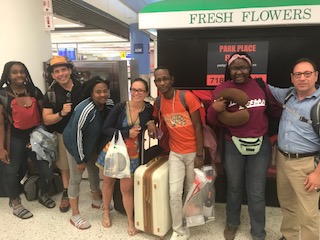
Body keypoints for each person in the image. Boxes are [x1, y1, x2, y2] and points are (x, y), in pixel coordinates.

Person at [206, 52, 279, 240]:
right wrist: (214, 110)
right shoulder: (222, 89)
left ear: (250, 68)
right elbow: (212, 120)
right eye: (235, 68)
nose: (239, 72)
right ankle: (232, 223)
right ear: (229, 70)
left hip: (260, 145)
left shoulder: (261, 87)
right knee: (235, 187)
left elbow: (274, 110)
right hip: (233, 145)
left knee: (256, 191)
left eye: (244, 67)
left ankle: (258, 232)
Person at [147, 66, 204, 240]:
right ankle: (179, 230)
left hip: (193, 152)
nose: (162, 83)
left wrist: (200, 155)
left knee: (190, 190)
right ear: (155, 82)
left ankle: (189, 221)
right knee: (174, 193)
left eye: (165, 79)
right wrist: (150, 122)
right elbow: (155, 118)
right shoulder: (158, 102)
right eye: (158, 80)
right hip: (175, 153)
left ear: (172, 79)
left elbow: (198, 127)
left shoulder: (186, 97)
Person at [269, 58, 320, 240]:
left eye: (307, 74)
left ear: (316, 76)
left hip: (306, 165)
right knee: (288, 204)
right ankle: (289, 236)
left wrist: (318, 173)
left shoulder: (318, 104)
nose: (302, 78)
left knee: (308, 213)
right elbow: (267, 89)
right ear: (292, 78)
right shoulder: (288, 95)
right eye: (298, 74)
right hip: (282, 160)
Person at [96, 78, 153, 236]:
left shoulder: (148, 109)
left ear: (146, 93)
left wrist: (151, 123)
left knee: (126, 189)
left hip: (132, 154)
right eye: (133, 89)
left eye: (140, 90)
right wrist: (127, 133)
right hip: (114, 151)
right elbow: (105, 129)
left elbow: (151, 119)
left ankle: (130, 219)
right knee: (108, 183)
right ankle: (106, 211)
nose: (136, 93)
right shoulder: (120, 107)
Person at [0, 61, 55, 219]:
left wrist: (42, 139)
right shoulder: (2, 94)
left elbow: (43, 118)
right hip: (13, 138)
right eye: (15, 72)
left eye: (22, 72)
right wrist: (1, 148)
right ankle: (15, 202)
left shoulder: (34, 91)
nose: (19, 75)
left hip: (35, 136)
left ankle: (43, 193)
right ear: (8, 75)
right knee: (11, 171)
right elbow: (1, 123)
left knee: (47, 170)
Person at [63, 76, 114, 229]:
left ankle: (96, 200)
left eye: (105, 91)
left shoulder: (109, 104)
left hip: (92, 145)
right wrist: (79, 160)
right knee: (76, 178)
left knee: (93, 170)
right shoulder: (84, 109)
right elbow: (76, 134)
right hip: (75, 145)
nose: (103, 95)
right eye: (98, 92)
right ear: (91, 93)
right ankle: (75, 215)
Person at [42, 55, 83, 213]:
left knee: (89, 164)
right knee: (65, 167)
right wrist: (61, 113)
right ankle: (67, 192)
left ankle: (95, 190)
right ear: (52, 75)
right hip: (63, 135)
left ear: (70, 70)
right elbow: (46, 119)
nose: (61, 74)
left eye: (63, 70)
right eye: (56, 71)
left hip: (83, 134)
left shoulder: (83, 87)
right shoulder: (50, 94)